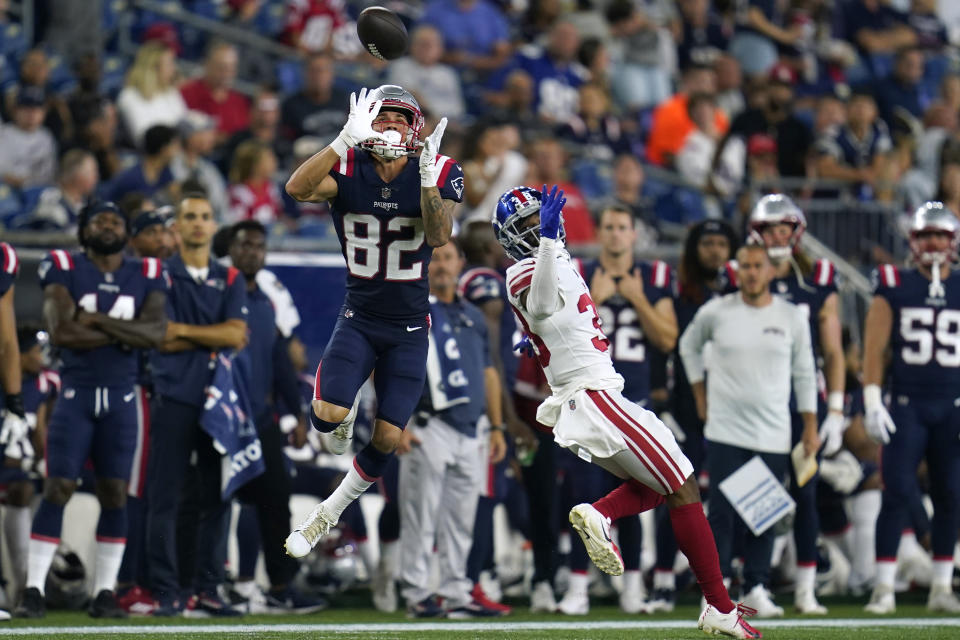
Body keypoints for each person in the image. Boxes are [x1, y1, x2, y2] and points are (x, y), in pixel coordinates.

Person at [493, 185, 760, 639]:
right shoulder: (525, 268)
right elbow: (538, 304)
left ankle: (603, 514)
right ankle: (717, 605)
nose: (538, 229)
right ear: (509, 237)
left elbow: (546, 320)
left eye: (542, 220)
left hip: (593, 396)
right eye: (528, 226)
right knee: (683, 483)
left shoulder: (550, 261)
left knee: (666, 486)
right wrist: (550, 245)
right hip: (594, 395)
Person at [283, 85, 462, 557]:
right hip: (359, 315)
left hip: (408, 327)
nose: (390, 126)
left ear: (415, 130)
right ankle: (341, 418)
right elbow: (296, 189)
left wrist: (425, 181)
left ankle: (327, 513)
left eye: (400, 120)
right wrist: (342, 140)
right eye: (380, 118)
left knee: (386, 437)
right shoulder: (345, 164)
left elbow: (441, 235)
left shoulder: (439, 169)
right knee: (327, 416)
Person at [15, 202, 170, 619]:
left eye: (115, 221)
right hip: (76, 392)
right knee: (58, 486)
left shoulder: (149, 271)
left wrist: (95, 320)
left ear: (126, 231)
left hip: (121, 396)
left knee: (115, 493)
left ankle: (104, 593)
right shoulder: (62, 263)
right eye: (98, 221)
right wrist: (125, 332)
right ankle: (32, 589)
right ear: (83, 230)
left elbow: (154, 334)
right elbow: (63, 331)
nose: (107, 226)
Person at [680, 243, 819, 619]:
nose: (752, 273)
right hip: (726, 429)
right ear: (736, 270)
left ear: (771, 270)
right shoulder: (717, 312)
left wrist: (810, 425)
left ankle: (757, 586)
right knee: (722, 514)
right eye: (745, 266)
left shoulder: (791, 316)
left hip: (773, 430)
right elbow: (687, 346)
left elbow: (805, 372)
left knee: (764, 514)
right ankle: (716, 591)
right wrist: (699, 394)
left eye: (758, 266)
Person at [565, 204, 677, 615]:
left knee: (629, 494)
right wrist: (594, 298)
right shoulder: (576, 271)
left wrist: (636, 299)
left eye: (622, 227)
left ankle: (632, 587)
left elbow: (667, 339)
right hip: (589, 400)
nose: (614, 234)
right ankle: (577, 587)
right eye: (608, 227)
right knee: (581, 492)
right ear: (600, 232)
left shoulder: (654, 277)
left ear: (634, 234)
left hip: (634, 402)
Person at [145, 193, 248, 616]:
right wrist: (211, 331)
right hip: (173, 396)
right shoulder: (160, 275)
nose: (198, 224)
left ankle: (208, 587)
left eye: (205, 217)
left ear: (213, 224)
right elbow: (159, 335)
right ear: (178, 227)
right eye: (190, 217)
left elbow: (236, 335)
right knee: (164, 498)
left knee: (217, 498)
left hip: (215, 403)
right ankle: (167, 590)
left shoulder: (230, 277)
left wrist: (185, 332)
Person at [395, 239, 507, 618]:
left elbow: (488, 371)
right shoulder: (407, 308)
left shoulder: (474, 316)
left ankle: (457, 591)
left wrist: (496, 426)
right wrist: (397, 421)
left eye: (447, 257)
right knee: (420, 515)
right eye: (434, 258)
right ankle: (416, 592)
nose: (441, 265)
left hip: (471, 428)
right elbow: (386, 366)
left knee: (461, 518)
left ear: (461, 263)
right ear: (423, 265)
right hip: (429, 423)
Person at [746, 194, 846, 615]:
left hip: (803, 402)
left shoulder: (818, 276)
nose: (778, 236)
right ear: (758, 233)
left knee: (804, 495)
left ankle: (806, 586)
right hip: (757, 399)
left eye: (784, 228)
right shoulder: (747, 274)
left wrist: (837, 409)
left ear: (796, 230)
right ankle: (754, 583)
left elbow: (834, 349)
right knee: (757, 494)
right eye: (771, 229)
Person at [861, 201, 960, 614]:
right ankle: (884, 587)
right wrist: (870, 396)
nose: (934, 243)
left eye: (940, 235)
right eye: (926, 236)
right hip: (906, 404)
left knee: (951, 494)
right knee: (897, 491)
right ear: (913, 241)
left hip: (952, 405)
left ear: (952, 241)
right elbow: (875, 345)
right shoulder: (894, 282)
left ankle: (941, 585)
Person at [227, 220, 324, 614]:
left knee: (275, 496)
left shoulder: (264, 302)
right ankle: (212, 583)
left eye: (258, 246)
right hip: (221, 418)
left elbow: (280, 360)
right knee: (212, 505)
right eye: (244, 244)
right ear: (230, 249)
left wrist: (298, 412)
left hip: (261, 418)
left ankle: (280, 586)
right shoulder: (219, 294)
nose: (252, 252)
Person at [649, 219, 738, 613]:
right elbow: (663, 348)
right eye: (708, 243)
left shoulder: (740, 292)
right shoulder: (679, 292)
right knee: (675, 489)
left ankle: (732, 577)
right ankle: (665, 577)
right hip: (686, 406)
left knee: (728, 495)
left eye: (722, 243)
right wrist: (662, 402)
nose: (716, 250)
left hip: (732, 404)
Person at [116, 41, 187, 147]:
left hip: (177, 150)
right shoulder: (129, 96)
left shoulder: (170, 92)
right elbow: (143, 139)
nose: (174, 69)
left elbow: (185, 122)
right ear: (153, 68)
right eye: (169, 64)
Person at [26, 149, 99, 231]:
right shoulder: (52, 200)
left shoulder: (85, 205)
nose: (96, 177)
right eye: (93, 171)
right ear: (77, 175)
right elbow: (48, 238)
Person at [0, 86, 58, 189]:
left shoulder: (47, 137)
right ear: (15, 110)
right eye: (27, 108)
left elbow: (50, 175)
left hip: (40, 191)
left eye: (37, 108)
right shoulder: (4, 134)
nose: (32, 113)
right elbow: (3, 175)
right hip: (10, 191)